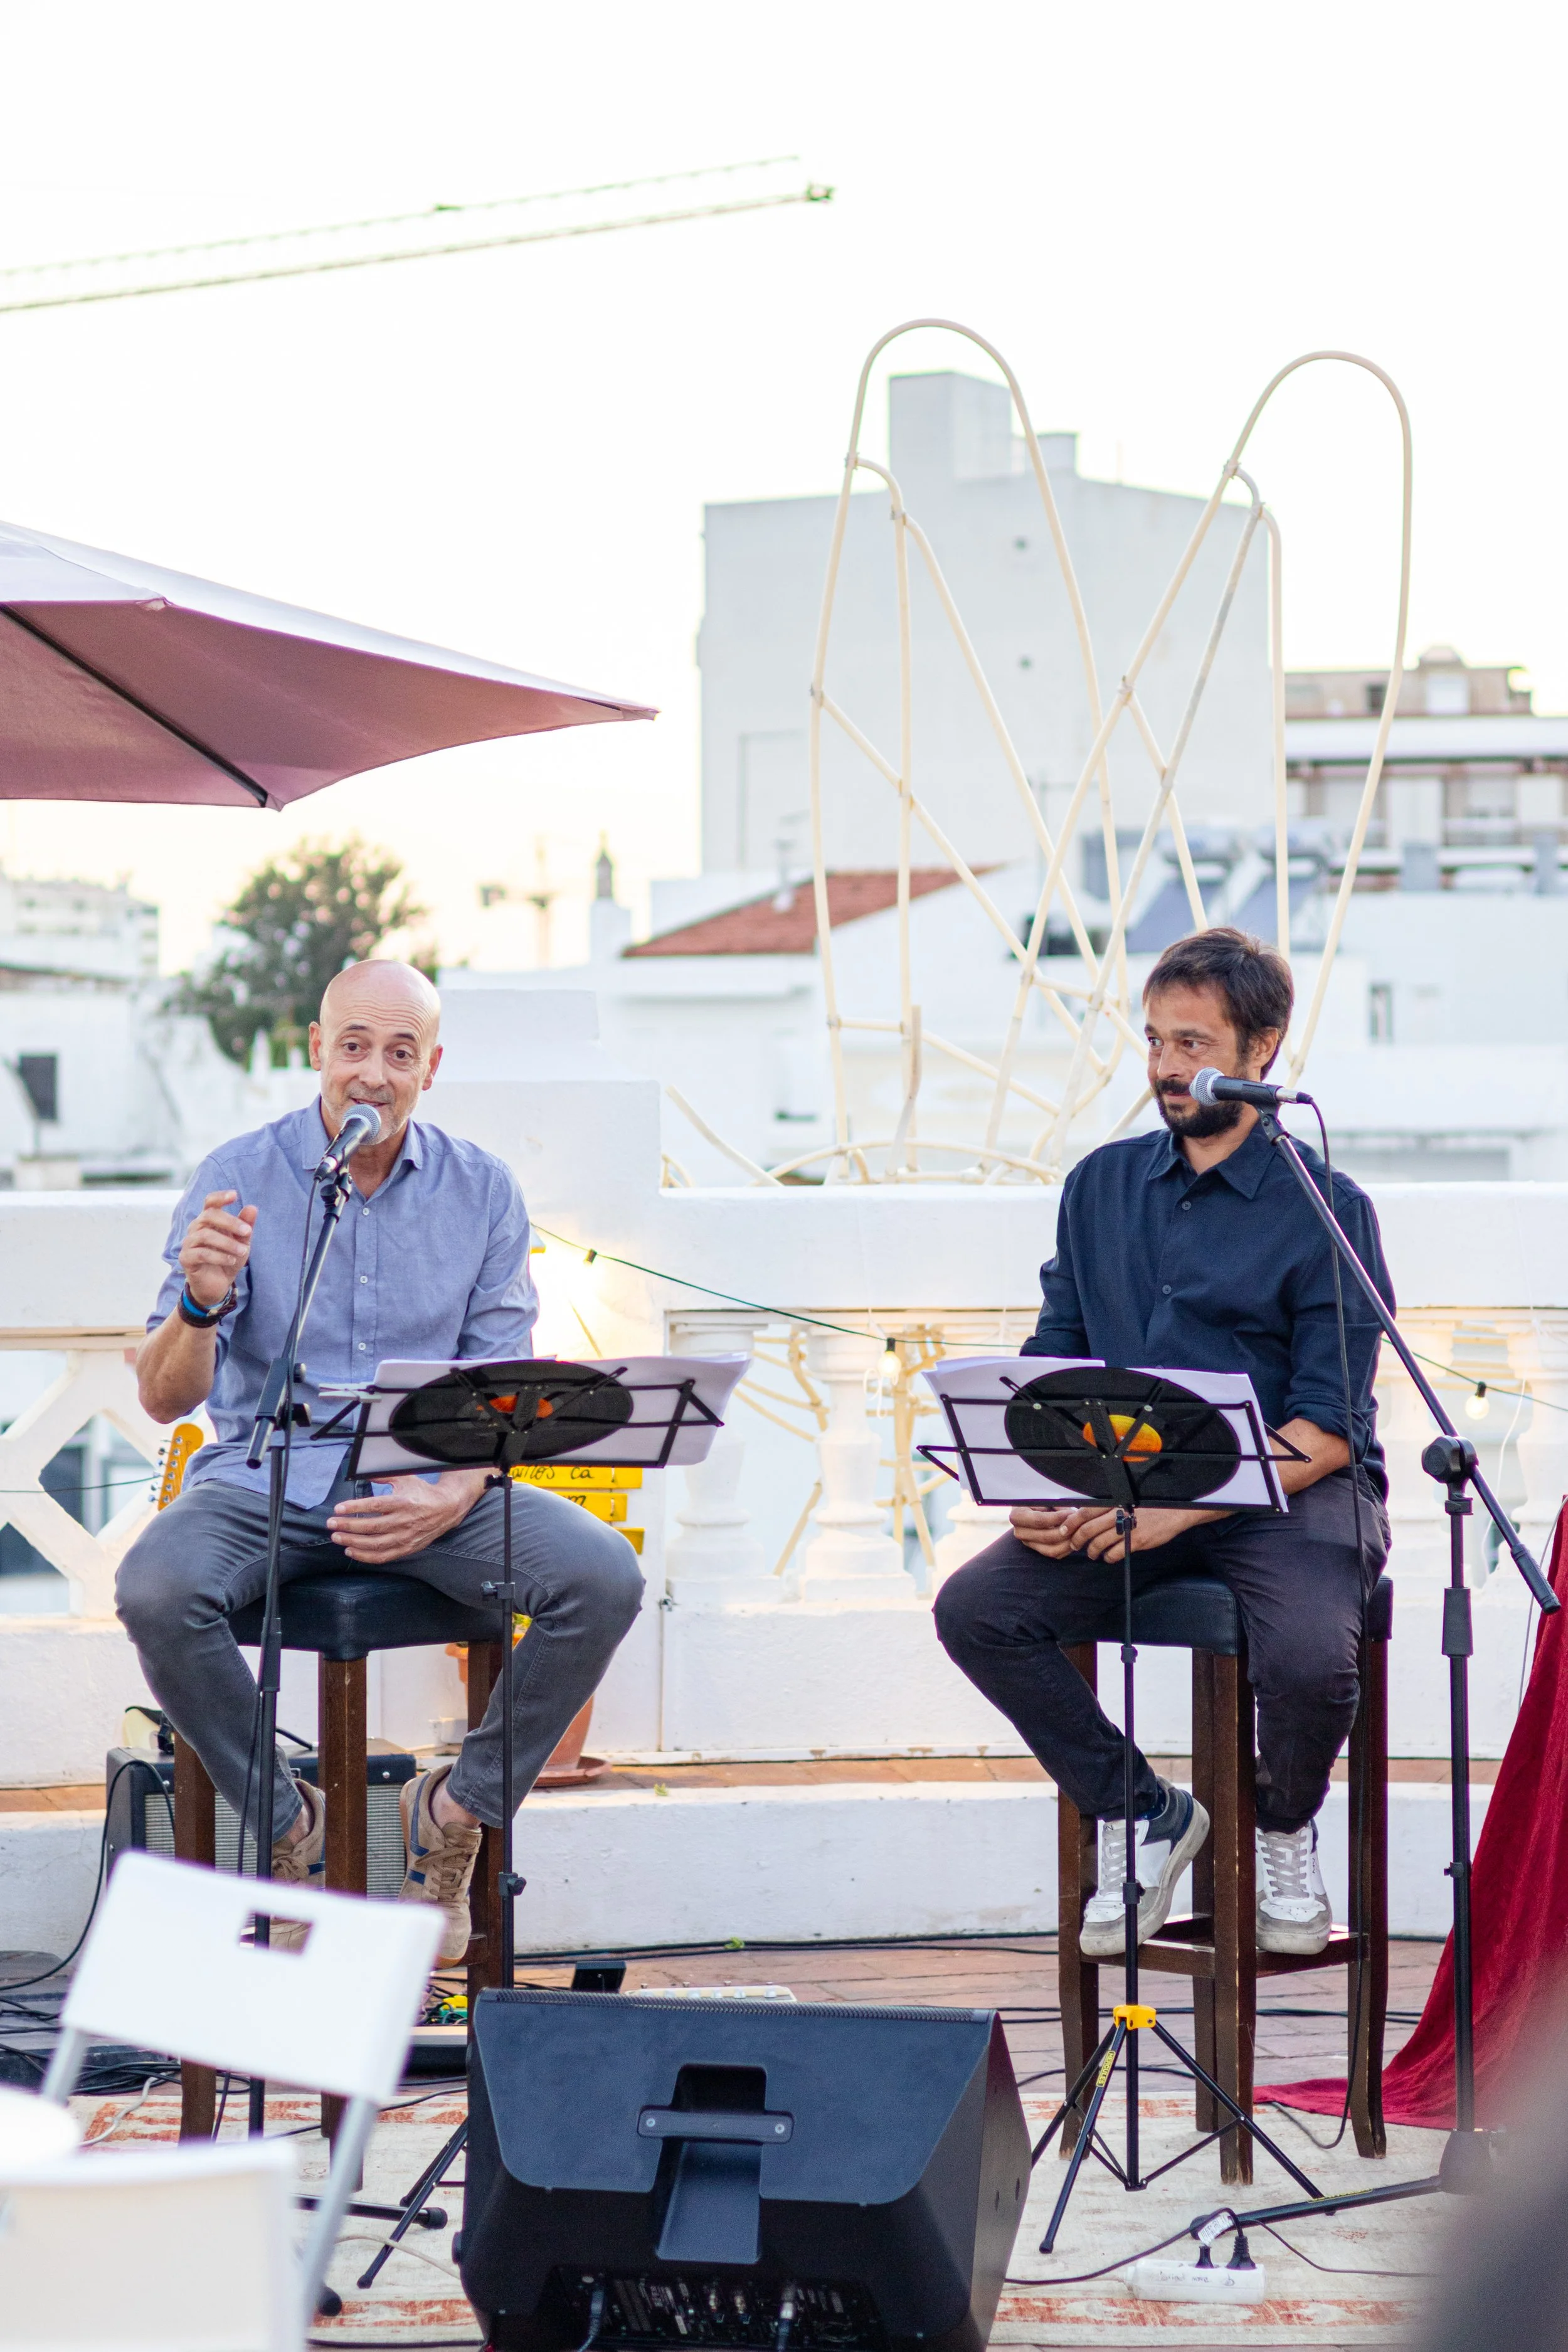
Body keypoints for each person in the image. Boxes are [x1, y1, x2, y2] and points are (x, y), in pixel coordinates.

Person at [117, 960, 644, 1962]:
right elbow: (164, 1396)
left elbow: (502, 1387)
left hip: (430, 1480)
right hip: (266, 1478)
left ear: (430, 1069)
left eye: (400, 1052)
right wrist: (199, 1302)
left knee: (602, 1574)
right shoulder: (239, 1174)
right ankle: (291, 1828)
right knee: (155, 1588)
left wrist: (451, 1491)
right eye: (354, 1045)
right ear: (318, 1048)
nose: (373, 1071)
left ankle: (453, 1814)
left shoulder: (483, 1189)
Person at [935, 927, 1391, 1959]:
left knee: (1312, 1661)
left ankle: (1281, 1825)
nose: (1168, 1067)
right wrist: (1042, 1485)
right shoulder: (1098, 1187)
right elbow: (1053, 1364)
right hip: (1127, 1487)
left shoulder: (1329, 1210)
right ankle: (1143, 1811)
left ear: (1262, 1049)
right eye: (1154, 1040)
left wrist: (1176, 1512)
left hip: (1290, 1493)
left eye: (1194, 1043)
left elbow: (1328, 1428)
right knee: (978, 1609)